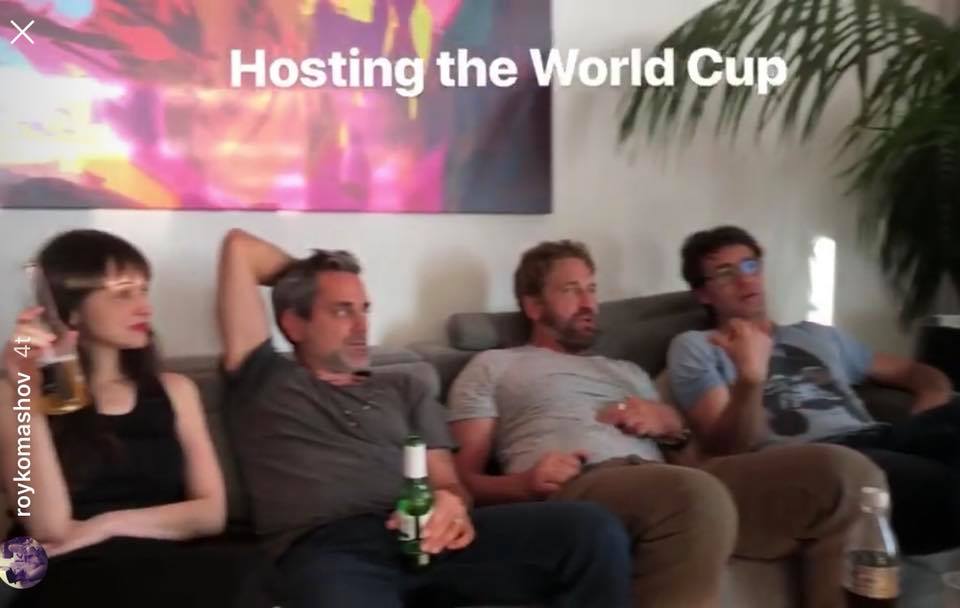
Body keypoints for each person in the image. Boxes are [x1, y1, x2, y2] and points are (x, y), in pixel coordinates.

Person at [447, 239, 886, 608]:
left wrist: (672, 426)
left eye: (592, 289)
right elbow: (461, 483)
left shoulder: (628, 371)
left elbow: (699, 460)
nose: (589, 303)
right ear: (532, 305)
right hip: (583, 482)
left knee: (846, 476)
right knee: (694, 496)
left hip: (671, 477)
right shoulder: (494, 366)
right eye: (571, 290)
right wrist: (523, 485)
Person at [215, 229, 632, 608]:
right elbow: (239, 248)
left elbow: (448, 481)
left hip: (428, 535)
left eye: (365, 310)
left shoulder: (404, 386)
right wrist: (306, 278)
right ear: (294, 323)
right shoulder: (265, 379)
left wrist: (452, 504)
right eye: (342, 311)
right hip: (330, 549)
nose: (362, 327)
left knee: (591, 531)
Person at [0, 229, 270, 607]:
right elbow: (49, 527)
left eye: (144, 290)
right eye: (124, 293)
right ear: (71, 310)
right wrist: (26, 392)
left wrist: (105, 526)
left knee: (248, 573)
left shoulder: (176, 391)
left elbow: (211, 513)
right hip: (57, 565)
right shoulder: (15, 394)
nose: (145, 308)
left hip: (160, 553)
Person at [667, 225, 959, 556]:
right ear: (703, 294)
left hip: (878, 436)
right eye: (724, 273)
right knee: (947, 492)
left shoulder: (817, 335)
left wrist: (929, 409)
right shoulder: (697, 347)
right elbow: (726, 446)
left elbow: (918, 373)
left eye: (750, 265)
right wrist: (750, 377)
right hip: (816, 461)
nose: (745, 280)